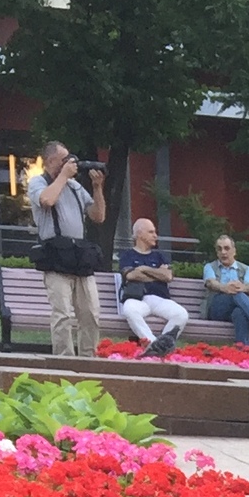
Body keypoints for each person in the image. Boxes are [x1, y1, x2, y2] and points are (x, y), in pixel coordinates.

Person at [25, 142, 108, 358]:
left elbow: (98, 216)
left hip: (79, 257)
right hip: (55, 256)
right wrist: (63, 176)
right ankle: (64, 361)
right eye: (64, 159)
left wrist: (98, 187)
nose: (70, 163)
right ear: (50, 161)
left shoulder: (74, 187)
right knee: (62, 314)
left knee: (90, 313)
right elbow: (47, 200)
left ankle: (89, 360)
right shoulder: (38, 182)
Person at [116, 218, 189, 355]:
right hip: (138, 299)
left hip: (160, 299)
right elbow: (131, 276)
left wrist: (143, 268)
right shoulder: (127, 255)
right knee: (129, 310)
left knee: (181, 314)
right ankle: (153, 344)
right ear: (139, 234)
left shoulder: (159, 256)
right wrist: (157, 273)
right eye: (151, 232)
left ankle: (162, 344)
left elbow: (167, 277)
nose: (155, 236)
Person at [202, 234, 249, 344]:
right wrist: (225, 288)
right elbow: (211, 283)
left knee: (239, 312)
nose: (223, 252)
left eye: (226, 248)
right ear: (217, 252)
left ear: (234, 251)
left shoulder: (246, 269)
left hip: (236, 309)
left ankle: (242, 350)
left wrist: (243, 287)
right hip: (217, 309)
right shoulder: (209, 267)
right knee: (236, 293)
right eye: (219, 249)